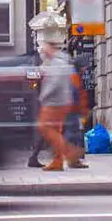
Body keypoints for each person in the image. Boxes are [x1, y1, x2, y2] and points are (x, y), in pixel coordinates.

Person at [34, 40, 87, 171]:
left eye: (44, 49)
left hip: (54, 102)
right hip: (61, 102)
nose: (43, 52)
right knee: (55, 130)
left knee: (44, 127)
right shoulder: (56, 61)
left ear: (51, 49)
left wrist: (42, 96)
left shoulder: (57, 62)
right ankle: (58, 161)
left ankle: (70, 152)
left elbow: (55, 83)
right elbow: (42, 72)